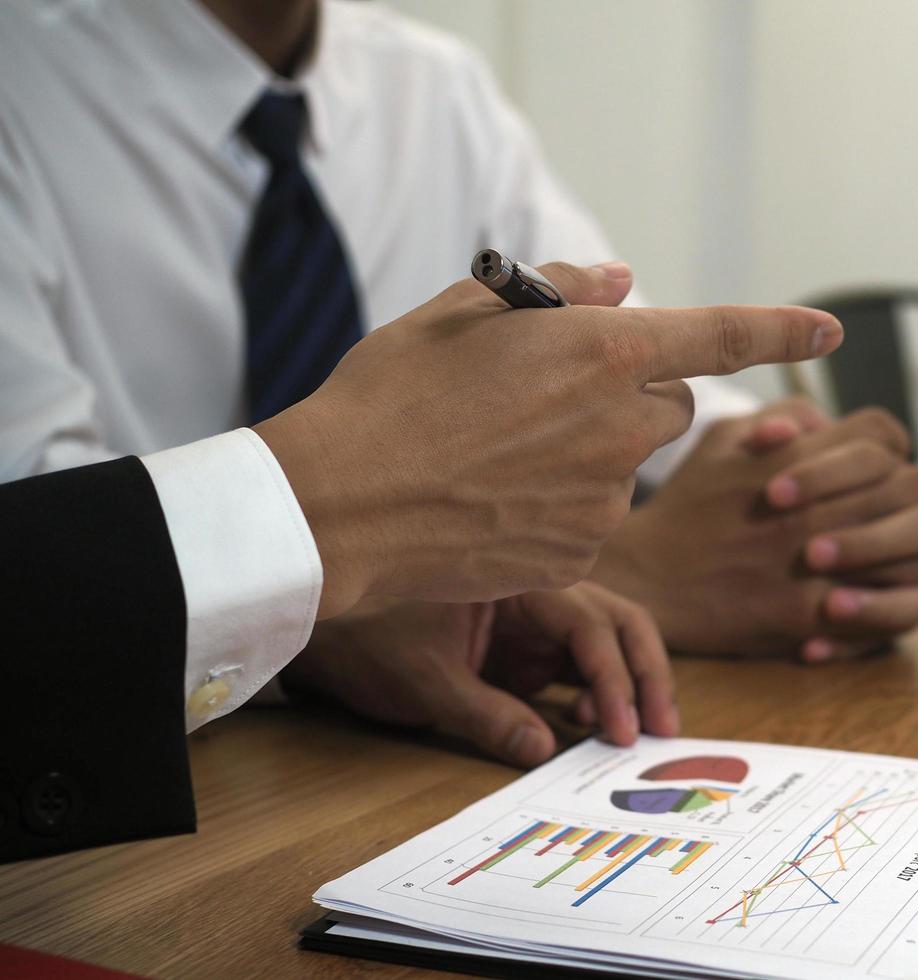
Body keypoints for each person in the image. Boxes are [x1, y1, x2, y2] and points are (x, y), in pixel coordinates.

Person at [0, 0, 918, 759]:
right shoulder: (21, 88)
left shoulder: (433, 84)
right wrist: (633, 567)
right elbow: (52, 555)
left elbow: (605, 356)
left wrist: (786, 476)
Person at [0, 264, 844, 862]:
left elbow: (624, 376)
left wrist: (793, 471)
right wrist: (331, 504)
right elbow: (44, 517)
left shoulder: (437, 87)